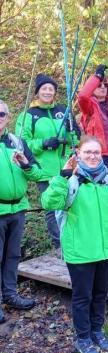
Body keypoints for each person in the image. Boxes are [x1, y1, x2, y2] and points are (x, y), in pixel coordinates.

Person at [41, 135, 108, 353]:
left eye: (97, 152)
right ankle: (83, 338)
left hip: (105, 249)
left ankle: (97, 331)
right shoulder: (71, 181)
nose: (93, 156)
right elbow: (49, 202)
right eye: (88, 152)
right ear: (78, 154)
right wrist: (62, 176)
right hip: (80, 250)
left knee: (100, 294)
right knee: (82, 296)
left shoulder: (107, 179)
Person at [16, 73, 80, 251]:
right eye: (44, 88)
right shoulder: (28, 115)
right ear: (37, 92)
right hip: (44, 169)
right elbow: (22, 142)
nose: (47, 91)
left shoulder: (63, 110)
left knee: (73, 203)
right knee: (52, 208)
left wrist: (71, 130)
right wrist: (43, 143)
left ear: (54, 92)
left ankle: (73, 240)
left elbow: (75, 137)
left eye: (51, 89)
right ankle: (59, 245)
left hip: (67, 166)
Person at [0, 100, 43, 322]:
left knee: (12, 255)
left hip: (18, 208)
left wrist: (26, 164)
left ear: (8, 117)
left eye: (1, 114)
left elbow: (37, 173)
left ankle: (10, 294)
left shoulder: (17, 142)